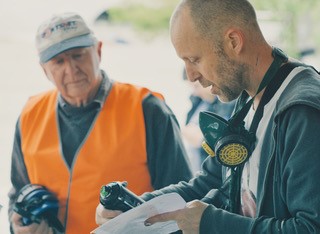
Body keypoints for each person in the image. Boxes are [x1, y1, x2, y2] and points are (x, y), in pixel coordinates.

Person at [95, 0, 320, 233]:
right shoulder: (246, 98)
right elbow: (208, 183)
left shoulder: (302, 112)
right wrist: (134, 208)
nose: (191, 76)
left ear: (233, 42)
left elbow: (310, 228)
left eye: (195, 60)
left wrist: (212, 223)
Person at [8, 12, 192, 234]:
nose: (71, 69)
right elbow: (17, 193)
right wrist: (16, 224)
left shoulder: (147, 109)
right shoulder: (30, 114)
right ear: (44, 69)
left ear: (98, 50)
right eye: (58, 61)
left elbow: (182, 201)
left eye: (78, 55)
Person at [181, 68, 235, 173]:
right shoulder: (198, 103)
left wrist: (202, 142)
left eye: (196, 87)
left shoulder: (228, 105)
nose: (195, 93)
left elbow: (226, 143)